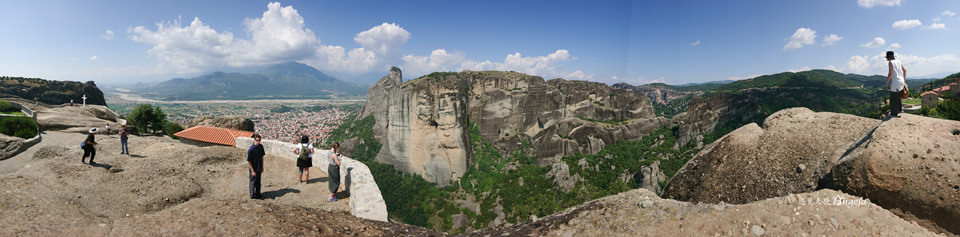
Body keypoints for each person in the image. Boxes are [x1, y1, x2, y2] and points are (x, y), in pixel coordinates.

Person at [884, 51, 907, 118]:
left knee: (893, 97)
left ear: (888, 58)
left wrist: (887, 83)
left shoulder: (890, 62)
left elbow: (890, 74)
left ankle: (894, 113)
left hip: (896, 82)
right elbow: (905, 70)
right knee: (898, 96)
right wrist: (904, 80)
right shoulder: (899, 61)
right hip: (901, 81)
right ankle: (900, 109)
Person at [247, 134, 266, 199]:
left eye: (259, 140)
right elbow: (249, 161)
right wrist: (252, 171)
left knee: (258, 182)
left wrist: (262, 167)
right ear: (254, 140)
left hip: (259, 168)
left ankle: (258, 194)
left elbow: (262, 157)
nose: (258, 141)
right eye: (257, 140)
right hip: (253, 169)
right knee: (252, 182)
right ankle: (252, 195)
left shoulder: (261, 147)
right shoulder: (251, 150)